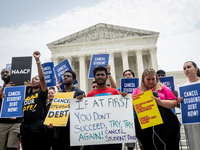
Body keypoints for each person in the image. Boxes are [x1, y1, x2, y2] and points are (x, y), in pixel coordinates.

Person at [132, 68, 179, 150]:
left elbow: (174, 103)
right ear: (143, 79)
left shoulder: (163, 88)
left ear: (156, 79)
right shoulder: (137, 91)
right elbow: (133, 108)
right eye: (148, 79)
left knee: (167, 145)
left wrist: (160, 102)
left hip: (166, 124)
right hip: (146, 125)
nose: (151, 82)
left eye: (153, 79)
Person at [87, 66, 126, 150]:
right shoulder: (90, 95)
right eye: (98, 75)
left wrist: (125, 99)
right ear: (95, 77)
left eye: (102, 74)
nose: (100, 76)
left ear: (107, 76)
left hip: (114, 135)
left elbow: (122, 110)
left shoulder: (115, 92)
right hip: (97, 136)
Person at [48, 70, 85, 150]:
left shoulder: (79, 93)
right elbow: (55, 112)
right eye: (64, 76)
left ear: (73, 80)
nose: (65, 77)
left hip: (73, 132)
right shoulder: (58, 94)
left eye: (68, 76)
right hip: (59, 132)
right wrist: (51, 123)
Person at [20, 51, 48, 150]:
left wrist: (37, 61)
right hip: (25, 125)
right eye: (32, 79)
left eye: (36, 79)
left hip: (37, 125)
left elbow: (42, 78)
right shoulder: (27, 95)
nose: (33, 80)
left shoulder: (42, 93)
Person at [178, 61, 200, 150]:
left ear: (196, 69)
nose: (186, 70)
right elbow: (184, 108)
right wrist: (179, 103)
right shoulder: (183, 88)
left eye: (188, 67)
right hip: (192, 122)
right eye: (184, 68)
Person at [0, 68, 21, 150]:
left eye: (7, 72)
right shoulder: (0, 89)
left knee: (12, 148)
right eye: (2, 73)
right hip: (2, 123)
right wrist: (5, 89)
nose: (4, 74)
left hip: (15, 123)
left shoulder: (19, 87)